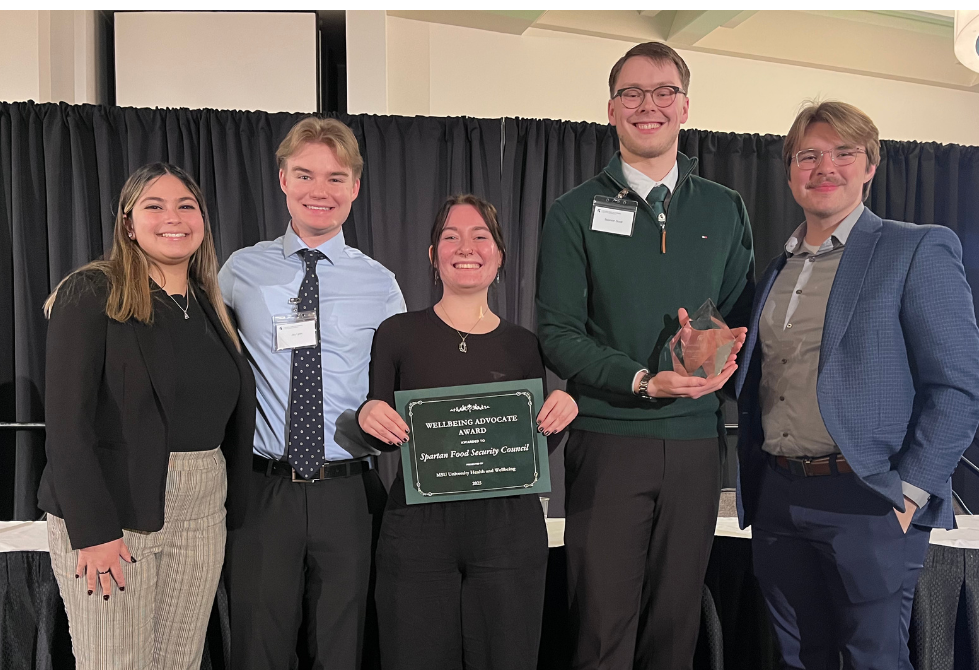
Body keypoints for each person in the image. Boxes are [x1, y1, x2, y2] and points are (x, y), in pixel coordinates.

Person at [735, 100, 979, 669]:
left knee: (874, 661)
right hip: (779, 494)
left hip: (870, 498)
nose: (825, 167)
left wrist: (910, 491)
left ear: (870, 166)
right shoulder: (776, 270)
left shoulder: (915, 247)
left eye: (843, 153)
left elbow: (961, 387)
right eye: (808, 156)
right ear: (790, 171)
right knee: (798, 659)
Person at [535, 41, 755, 670]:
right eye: (631, 93)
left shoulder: (724, 207)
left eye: (664, 92)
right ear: (611, 109)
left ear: (685, 106)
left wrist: (709, 351)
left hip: (696, 446)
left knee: (674, 627)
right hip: (608, 442)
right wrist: (641, 380)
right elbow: (558, 333)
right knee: (601, 626)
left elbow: (738, 318)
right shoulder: (572, 212)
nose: (647, 105)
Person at [39, 162, 256, 670]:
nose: (173, 218)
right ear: (128, 222)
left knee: (180, 662)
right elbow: (67, 428)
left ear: (202, 220)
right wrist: (93, 531)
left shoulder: (211, 307)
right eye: (154, 206)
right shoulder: (90, 292)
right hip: (114, 508)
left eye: (186, 206)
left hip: (203, 509)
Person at [358, 194, 578, 670]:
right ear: (432, 255)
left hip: (508, 532)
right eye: (450, 236)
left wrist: (559, 414)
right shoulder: (396, 333)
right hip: (416, 532)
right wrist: (368, 415)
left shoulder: (525, 345)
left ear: (500, 256)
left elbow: (530, 449)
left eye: (481, 237)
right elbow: (378, 434)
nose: (466, 247)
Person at [219, 116, 405, 670]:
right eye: (305, 175)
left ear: (355, 187)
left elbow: (403, 380)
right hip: (263, 492)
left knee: (342, 651)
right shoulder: (239, 271)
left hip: (348, 494)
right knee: (257, 649)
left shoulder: (381, 283)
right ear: (283, 180)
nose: (319, 190)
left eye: (335, 177)